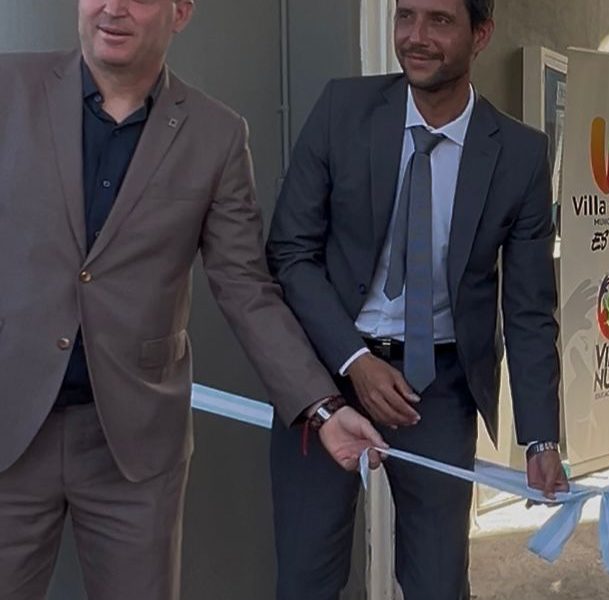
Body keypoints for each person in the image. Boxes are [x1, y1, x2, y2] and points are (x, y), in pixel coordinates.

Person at [0, 1, 385, 598]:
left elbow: (245, 287)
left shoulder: (217, 134)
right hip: (10, 424)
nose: (113, 8)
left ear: (180, 12)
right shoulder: (8, 89)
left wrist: (322, 406)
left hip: (133, 447)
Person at [265, 0, 568, 597]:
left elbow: (530, 311)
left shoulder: (519, 155)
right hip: (326, 374)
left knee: (438, 584)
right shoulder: (342, 111)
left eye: (440, 20)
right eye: (405, 16)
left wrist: (541, 438)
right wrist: (354, 359)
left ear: (481, 34)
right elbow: (290, 253)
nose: (415, 36)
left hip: (439, 389)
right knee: (307, 580)